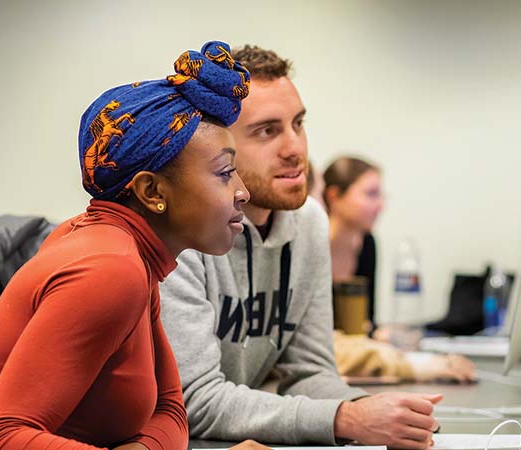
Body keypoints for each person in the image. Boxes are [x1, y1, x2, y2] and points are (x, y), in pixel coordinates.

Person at [0, 41, 263, 450]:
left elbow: (170, 410)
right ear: (150, 190)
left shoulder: (136, 255)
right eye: (225, 173)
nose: (242, 192)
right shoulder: (110, 269)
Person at [160, 45, 442, 450]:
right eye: (267, 131)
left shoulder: (309, 221)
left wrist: (376, 412)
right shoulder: (182, 235)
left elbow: (310, 371)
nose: (296, 149)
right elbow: (195, 401)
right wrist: (345, 417)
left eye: (298, 124)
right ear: (219, 143)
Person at [322, 156, 476, 383]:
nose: (380, 205)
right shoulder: (312, 247)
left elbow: (366, 323)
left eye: (381, 195)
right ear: (334, 196)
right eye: (371, 194)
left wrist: (385, 338)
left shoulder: (367, 245)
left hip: (350, 362)